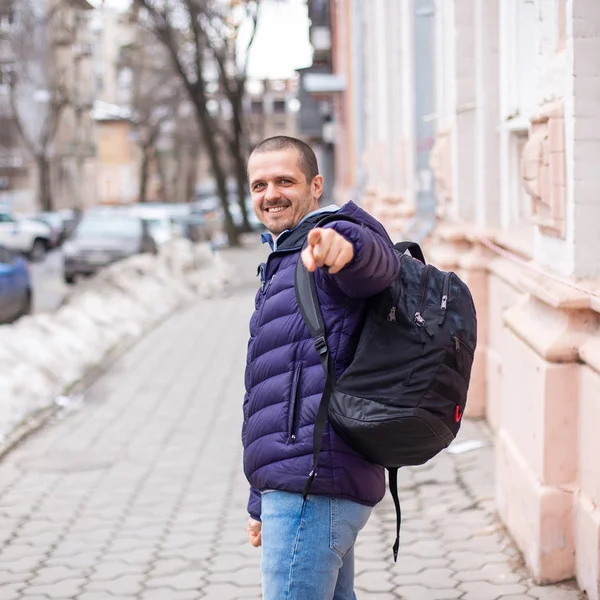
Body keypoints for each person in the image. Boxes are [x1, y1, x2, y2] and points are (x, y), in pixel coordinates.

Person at [243, 136, 400, 600]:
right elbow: (269, 395)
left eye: (284, 181)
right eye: (259, 184)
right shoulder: (282, 258)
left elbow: (374, 263)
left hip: (312, 484)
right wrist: (260, 499)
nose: (270, 193)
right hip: (302, 484)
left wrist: (341, 246)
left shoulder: (329, 240)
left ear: (315, 185)